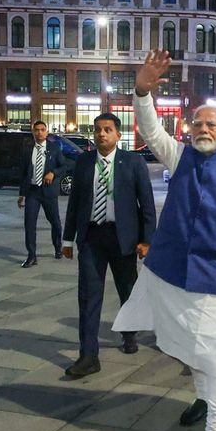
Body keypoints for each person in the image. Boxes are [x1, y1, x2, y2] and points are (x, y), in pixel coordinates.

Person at [112, 51, 216, 431]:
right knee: (193, 347)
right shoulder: (179, 157)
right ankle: (202, 397)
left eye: (212, 125)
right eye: (197, 123)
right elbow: (150, 130)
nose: (203, 129)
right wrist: (142, 91)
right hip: (175, 273)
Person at [61, 114, 156, 378]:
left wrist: (147, 240)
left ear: (118, 135)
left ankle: (129, 333)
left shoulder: (133, 162)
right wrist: (67, 239)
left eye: (107, 130)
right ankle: (88, 356)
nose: (101, 134)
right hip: (91, 237)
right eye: (98, 130)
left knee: (127, 289)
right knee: (88, 296)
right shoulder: (84, 162)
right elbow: (75, 203)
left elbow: (147, 204)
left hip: (122, 238)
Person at [17, 121, 68, 268]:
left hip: (48, 191)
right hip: (33, 192)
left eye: (42, 130)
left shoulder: (54, 148)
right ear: (33, 132)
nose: (39, 132)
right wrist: (22, 194)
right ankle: (32, 256)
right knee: (29, 223)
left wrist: (53, 173)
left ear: (47, 132)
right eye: (36, 130)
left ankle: (57, 247)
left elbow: (64, 166)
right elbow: (23, 173)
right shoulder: (28, 149)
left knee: (55, 222)